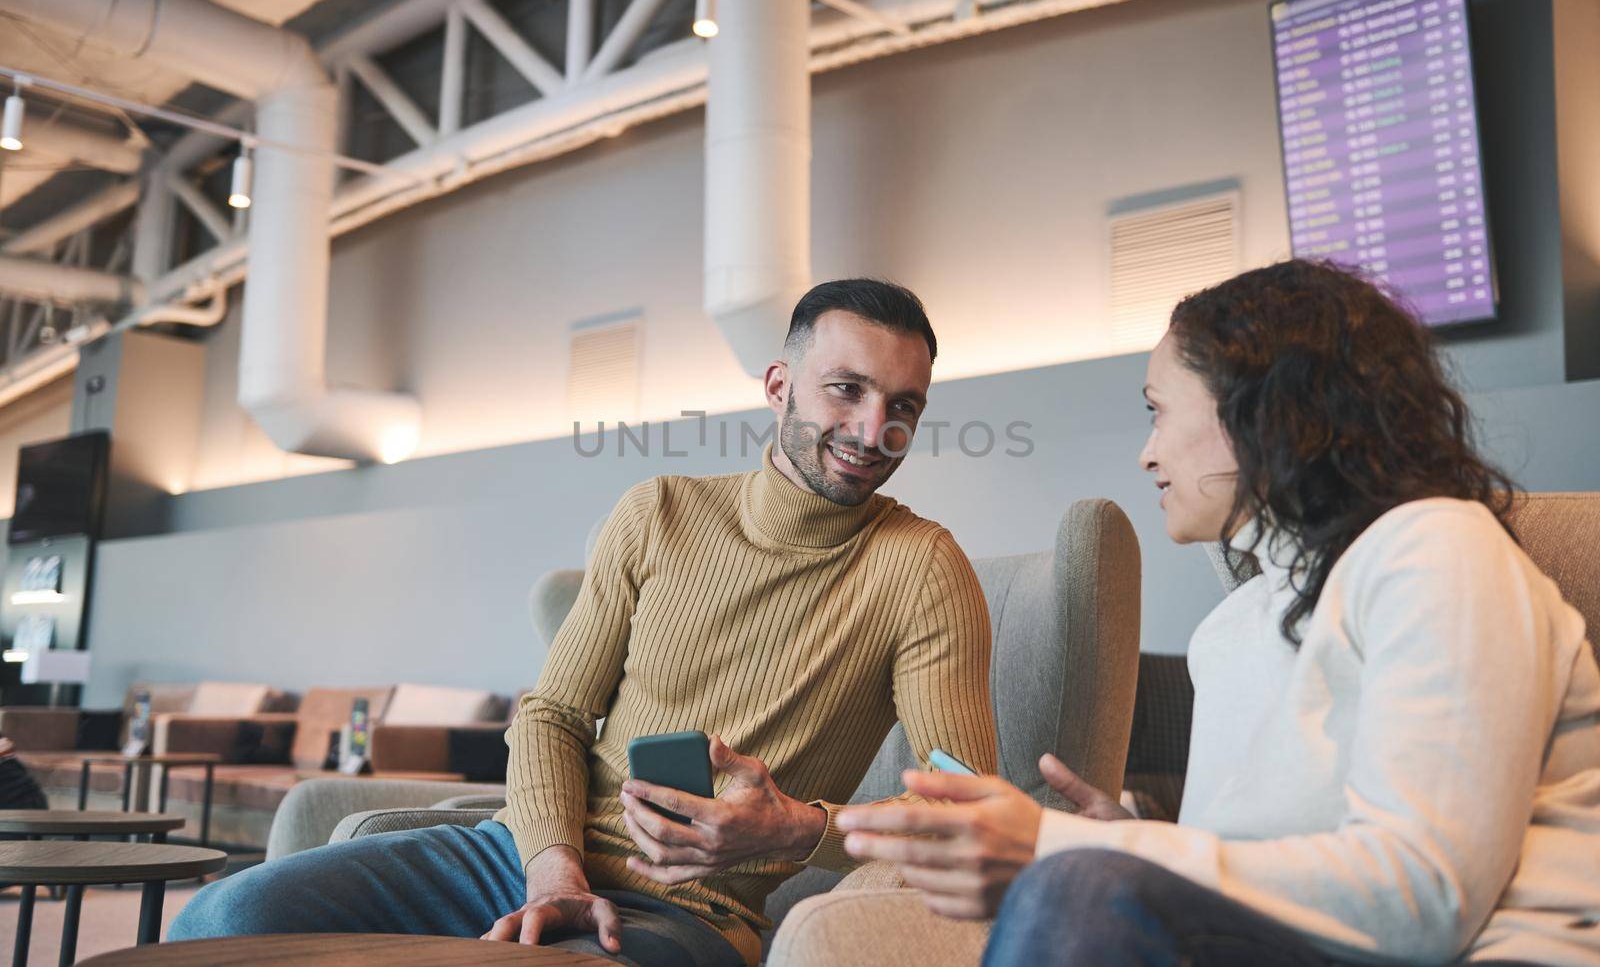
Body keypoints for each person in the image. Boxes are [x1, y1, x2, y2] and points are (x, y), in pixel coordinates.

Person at [171, 278, 999, 967]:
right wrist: (553, 869)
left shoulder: (922, 567)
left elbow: (964, 813)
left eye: (903, 406)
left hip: (692, 914)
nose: (872, 429)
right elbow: (553, 715)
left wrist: (795, 829)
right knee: (222, 922)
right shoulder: (658, 512)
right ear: (780, 385)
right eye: (846, 389)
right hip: (520, 855)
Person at [837, 260, 1600, 966]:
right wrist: (1139, 845)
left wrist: (1060, 847)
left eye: (1158, 412)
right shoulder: (1235, 628)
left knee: (1075, 887)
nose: (1147, 453)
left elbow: (1424, 897)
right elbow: (1273, 870)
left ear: (1261, 414)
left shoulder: (1436, 550)